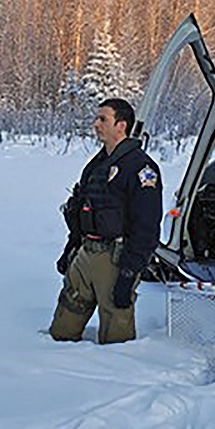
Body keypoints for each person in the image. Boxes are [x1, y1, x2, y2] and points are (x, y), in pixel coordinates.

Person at [50, 98, 163, 344]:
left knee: (116, 340)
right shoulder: (97, 165)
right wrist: (70, 249)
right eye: (96, 118)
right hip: (85, 253)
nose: (96, 124)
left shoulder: (141, 168)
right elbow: (82, 211)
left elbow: (147, 225)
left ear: (121, 125)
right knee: (61, 333)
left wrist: (129, 272)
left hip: (116, 258)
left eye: (103, 119)